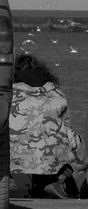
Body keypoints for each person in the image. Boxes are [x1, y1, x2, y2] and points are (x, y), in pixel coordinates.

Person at [9, 54, 87, 198]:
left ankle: (12, 181)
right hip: (50, 157)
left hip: (12, 155)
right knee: (74, 139)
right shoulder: (57, 94)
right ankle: (59, 179)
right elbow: (67, 127)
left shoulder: (7, 93)